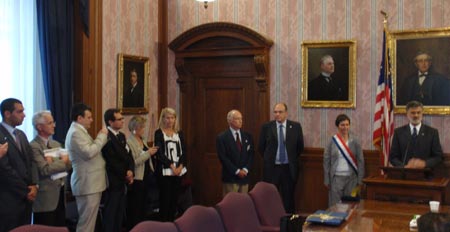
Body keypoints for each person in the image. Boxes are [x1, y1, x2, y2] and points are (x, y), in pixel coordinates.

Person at [65, 103, 108, 232]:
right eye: (89, 117)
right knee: (86, 224)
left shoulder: (80, 131)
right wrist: (102, 136)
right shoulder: (75, 133)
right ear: (79, 118)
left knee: (89, 222)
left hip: (91, 183)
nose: (92, 120)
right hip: (87, 183)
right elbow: (89, 152)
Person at [0, 98, 38, 232]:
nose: (24, 115)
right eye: (19, 112)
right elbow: (5, 169)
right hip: (9, 199)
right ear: (7, 114)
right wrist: (25, 190)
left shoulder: (21, 134)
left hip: (26, 199)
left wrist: (34, 185)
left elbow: (31, 162)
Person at [258, 103, 304, 213]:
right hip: (272, 169)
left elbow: (299, 147)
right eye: (275, 112)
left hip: (288, 168)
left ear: (286, 113)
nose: (277, 114)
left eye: (280, 112)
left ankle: (289, 225)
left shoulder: (295, 127)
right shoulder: (267, 127)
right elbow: (261, 147)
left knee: (288, 199)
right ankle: (271, 225)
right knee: (270, 198)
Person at [30, 111, 71, 226]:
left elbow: (69, 165)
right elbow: (45, 169)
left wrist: (54, 162)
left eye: (53, 122)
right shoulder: (34, 146)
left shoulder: (56, 144)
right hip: (45, 198)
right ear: (39, 127)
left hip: (61, 194)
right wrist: (62, 161)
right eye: (50, 123)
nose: (54, 125)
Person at [101, 108, 135, 232]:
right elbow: (112, 161)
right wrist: (125, 173)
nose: (122, 121)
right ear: (110, 122)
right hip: (113, 181)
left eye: (122, 118)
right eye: (119, 119)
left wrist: (131, 170)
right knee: (111, 214)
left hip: (123, 181)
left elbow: (129, 155)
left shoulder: (121, 135)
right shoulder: (106, 137)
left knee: (120, 214)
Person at [323, 114, 364, 207]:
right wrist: (326, 180)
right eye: (342, 125)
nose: (345, 127)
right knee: (335, 207)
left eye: (347, 124)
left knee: (351, 206)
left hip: (352, 180)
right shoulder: (332, 141)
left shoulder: (355, 141)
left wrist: (360, 180)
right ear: (337, 126)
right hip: (336, 179)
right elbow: (326, 161)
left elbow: (361, 161)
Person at [126, 116, 158, 230]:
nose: (144, 128)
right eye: (142, 126)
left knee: (144, 207)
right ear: (135, 128)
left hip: (147, 177)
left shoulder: (142, 139)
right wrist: (148, 153)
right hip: (137, 179)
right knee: (136, 208)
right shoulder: (129, 142)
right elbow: (134, 162)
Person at [154, 107, 187, 221]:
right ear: (162, 119)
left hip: (178, 170)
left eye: (172, 118)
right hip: (165, 171)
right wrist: (172, 166)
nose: (170, 120)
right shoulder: (159, 133)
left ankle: (172, 223)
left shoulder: (179, 133)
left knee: (174, 199)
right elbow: (160, 154)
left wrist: (180, 166)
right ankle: (163, 225)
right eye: (167, 118)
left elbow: (184, 151)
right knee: (165, 199)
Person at [389, 101, 443, 168]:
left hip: (425, 175)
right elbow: (393, 157)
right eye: (413, 113)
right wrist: (404, 167)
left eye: (418, 112)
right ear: (407, 114)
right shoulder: (398, 132)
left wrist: (424, 164)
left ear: (422, 114)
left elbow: (438, 157)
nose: (416, 115)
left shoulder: (432, 132)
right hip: (404, 175)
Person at [216, 109, 254, 196]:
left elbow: (251, 155)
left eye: (241, 118)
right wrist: (237, 171)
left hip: (245, 177)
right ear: (230, 121)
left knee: (243, 204)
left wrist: (245, 169)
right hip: (230, 178)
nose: (240, 121)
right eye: (237, 119)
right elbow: (223, 158)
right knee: (230, 205)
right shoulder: (222, 138)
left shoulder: (248, 136)